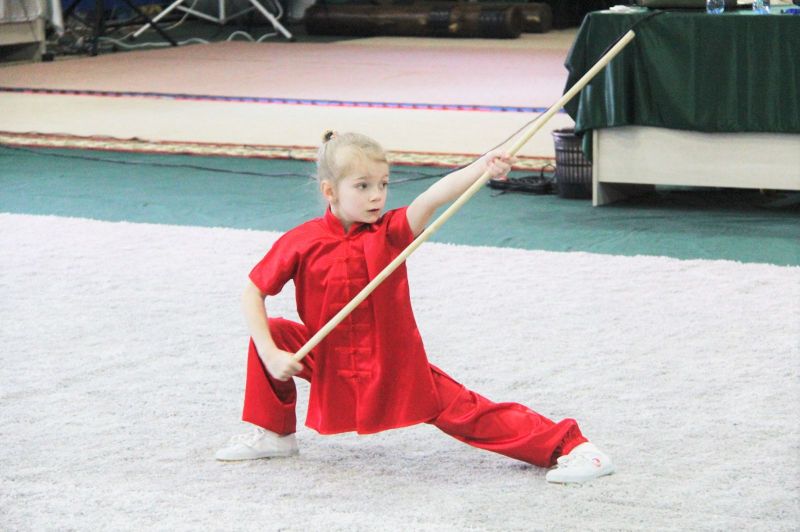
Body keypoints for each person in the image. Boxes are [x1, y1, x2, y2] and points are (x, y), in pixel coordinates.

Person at [216, 131, 614, 484]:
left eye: (383, 184)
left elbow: (432, 196)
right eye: (363, 186)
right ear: (329, 191)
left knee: (469, 414)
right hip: (331, 357)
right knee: (275, 332)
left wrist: (482, 167)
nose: (377, 195)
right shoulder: (301, 241)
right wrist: (270, 353)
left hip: (393, 364)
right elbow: (253, 292)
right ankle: (274, 434)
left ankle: (572, 446)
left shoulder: (392, 231)